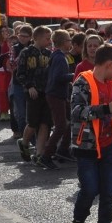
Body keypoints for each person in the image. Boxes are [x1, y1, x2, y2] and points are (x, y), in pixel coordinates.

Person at [70, 43, 112, 223]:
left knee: (109, 193)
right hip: (87, 147)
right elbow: (76, 111)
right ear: (110, 64)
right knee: (90, 189)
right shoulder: (83, 81)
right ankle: (79, 217)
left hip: (109, 145)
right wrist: (103, 109)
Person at [14, 25, 53, 163]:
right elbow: (20, 73)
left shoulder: (49, 54)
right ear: (37, 38)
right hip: (33, 93)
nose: (49, 41)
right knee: (33, 122)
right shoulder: (26, 52)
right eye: (47, 38)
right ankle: (24, 143)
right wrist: (29, 86)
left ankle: (39, 153)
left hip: (46, 93)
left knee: (45, 123)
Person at [37, 30, 74, 169]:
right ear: (64, 42)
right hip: (56, 95)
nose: (70, 42)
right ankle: (46, 155)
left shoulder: (58, 56)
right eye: (69, 40)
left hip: (58, 94)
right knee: (61, 126)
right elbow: (59, 77)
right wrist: (74, 75)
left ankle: (63, 149)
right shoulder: (59, 57)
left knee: (70, 120)